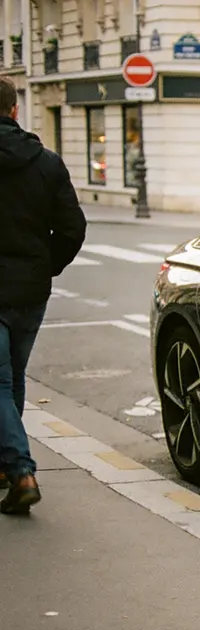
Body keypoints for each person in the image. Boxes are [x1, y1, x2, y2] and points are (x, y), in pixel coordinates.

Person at [0, 76, 87, 513]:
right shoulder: (47, 162)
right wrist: (44, 266)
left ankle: (21, 471)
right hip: (30, 289)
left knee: (0, 382)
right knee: (12, 377)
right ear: (15, 110)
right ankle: (6, 465)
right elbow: (73, 228)